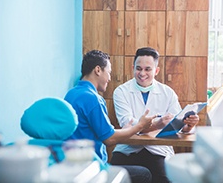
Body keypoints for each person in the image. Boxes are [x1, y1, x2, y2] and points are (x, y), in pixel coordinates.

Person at [64, 50, 157, 183]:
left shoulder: (72, 93)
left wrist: (131, 128)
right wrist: (140, 126)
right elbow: (109, 139)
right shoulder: (92, 99)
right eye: (108, 72)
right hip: (93, 168)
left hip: (74, 164)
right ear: (98, 70)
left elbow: (105, 133)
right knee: (144, 174)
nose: (109, 78)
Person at [110, 47, 199, 183]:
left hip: (158, 151)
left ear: (156, 71)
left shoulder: (168, 93)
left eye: (148, 69)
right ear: (133, 68)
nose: (142, 73)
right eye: (138, 68)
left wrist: (188, 125)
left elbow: (178, 126)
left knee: (164, 178)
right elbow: (127, 125)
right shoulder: (121, 92)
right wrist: (157, 124)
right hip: (127, 150)